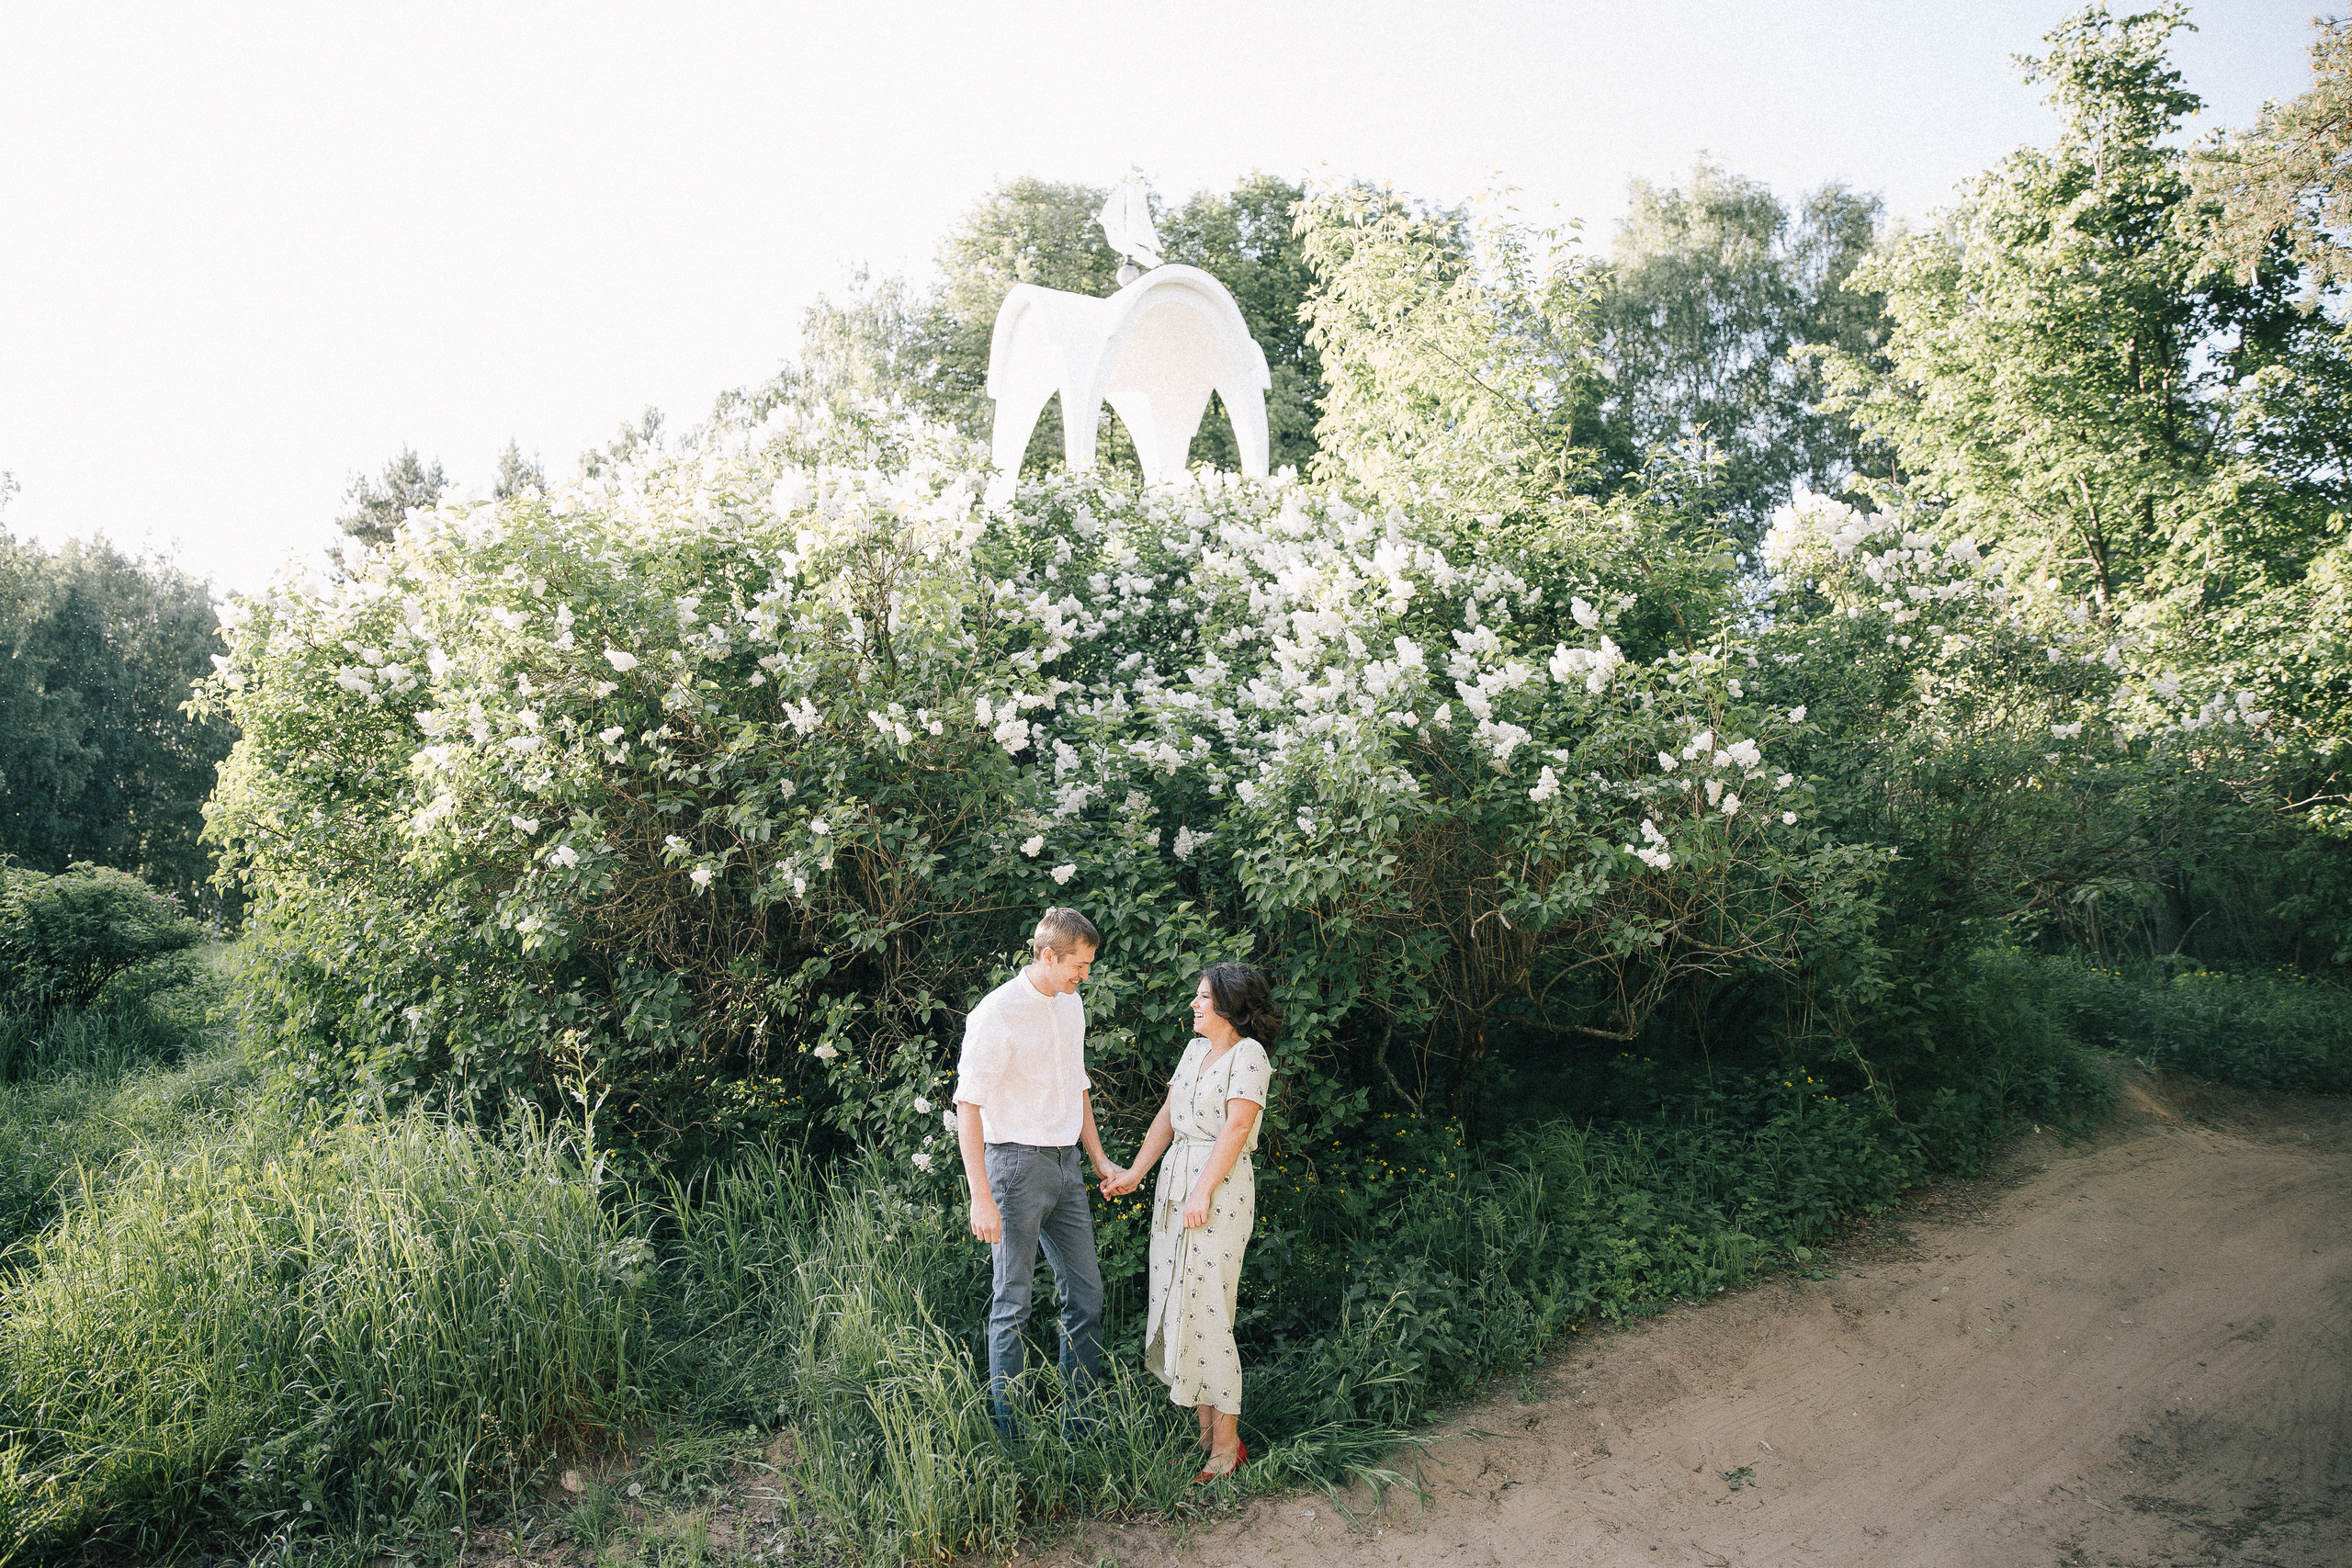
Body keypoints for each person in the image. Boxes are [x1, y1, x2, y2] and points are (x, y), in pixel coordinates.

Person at [1103, 961, 1279, 1483]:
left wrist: (1201, 1190)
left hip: (1217, 1191)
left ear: (1229, 1006)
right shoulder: (1194, 1050)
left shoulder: (1249, 1055)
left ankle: (1226, 1448)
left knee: (1209, 1309)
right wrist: (1136, 1172)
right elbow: (1168, 1114)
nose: (1194, 1004)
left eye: (1203, 997)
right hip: (1175, 1186)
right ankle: (1206, 1437)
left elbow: (1237, 1127)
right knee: (1182, 1304)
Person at [953, 907, 1122, 1437]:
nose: (1085, 975)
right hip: (1015, 1169)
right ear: (1049, 956)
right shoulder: (996, 1013)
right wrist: (981, 1195)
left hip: (1067, 1168)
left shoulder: (1071, 1005)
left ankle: (1080, 1426)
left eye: (1088, 965)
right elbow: (968, 1105)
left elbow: (1078, 1085)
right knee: (1013, 1304)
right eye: (1079, 965)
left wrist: (1098, 1159)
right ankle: (1014, 1439)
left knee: (1086, 1297)